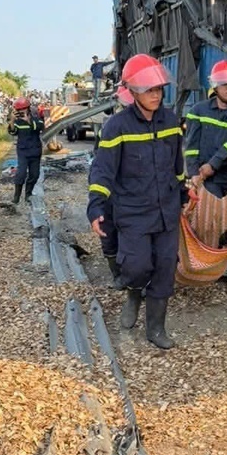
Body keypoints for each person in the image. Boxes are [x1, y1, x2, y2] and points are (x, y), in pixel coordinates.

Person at [87, 54, 186, 350]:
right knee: (138, 265)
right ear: (132, 92)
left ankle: (156, 328)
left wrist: (183, 191)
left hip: (167, 211)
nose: (155, 95)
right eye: (149, 90)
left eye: (158, 89)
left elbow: (177, 163)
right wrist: (96, 206)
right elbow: (103, 170)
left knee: (165, 267)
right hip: (132, 212)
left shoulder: (170, 121)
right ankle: (133, 292)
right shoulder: (116, 127)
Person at [185, 60, 227, 198]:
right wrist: (194, 174)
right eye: (224, 84)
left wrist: (213, 165)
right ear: (215, 86)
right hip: (208, 180)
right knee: (209, 218)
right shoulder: (197, 111)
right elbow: (191, 147)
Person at [94, 84, 134, 281]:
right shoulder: (111, 127)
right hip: (112, 185)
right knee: (108, 229)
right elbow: (101, 164)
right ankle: (117, 274)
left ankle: (133, 273)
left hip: (132, 189)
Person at [7, 97, 45, 206]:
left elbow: (40, 127)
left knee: (35, 175)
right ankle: (16, 197)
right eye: (19, 110)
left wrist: (28, 120)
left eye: (23, 109)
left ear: (28, 108)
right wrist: (12, 120)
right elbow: (13, 132)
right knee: (21, 174)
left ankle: (28, 194)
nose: (21, 112)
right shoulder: (17, 121)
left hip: (35, 151)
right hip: (23, 151)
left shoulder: (36, 117)